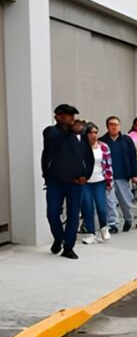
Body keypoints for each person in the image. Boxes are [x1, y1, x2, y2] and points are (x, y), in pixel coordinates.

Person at [42, 104, 94, 259]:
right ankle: (59, 238)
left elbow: (88, 156)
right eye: (67, 115)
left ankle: (68, 247)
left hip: (75, 182)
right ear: (57, 117)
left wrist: (86, 175)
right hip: (55, 181)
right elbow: (54, 140)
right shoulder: (51, 132)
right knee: (52, 213)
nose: (72, 118)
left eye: (73, 115)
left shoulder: (80, 134)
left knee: (73, 215)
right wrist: (71, 131)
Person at [102, 116, 137, 232]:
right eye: (111, 124)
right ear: (107, 126)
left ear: (119, 126)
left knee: (126, 201)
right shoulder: (102, 141)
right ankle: (113, 224)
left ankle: (128, 218)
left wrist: (135, 174)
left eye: (116, 124)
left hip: (123, 175)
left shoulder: (126, 140)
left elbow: (133, 157)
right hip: (108, 177)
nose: (114, 127)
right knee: (110, 201)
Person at [79, 122, 113, 245]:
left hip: (100, 180)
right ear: (86, 134)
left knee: (101, 207)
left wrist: (109, 181)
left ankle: (104, 227)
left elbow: (109, 165)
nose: (93, 135)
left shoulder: (103, 147)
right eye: (90, 133)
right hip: (86, 182)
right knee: (87, 207)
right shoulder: (82, 147)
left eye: (95, 132)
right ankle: (91, 233)